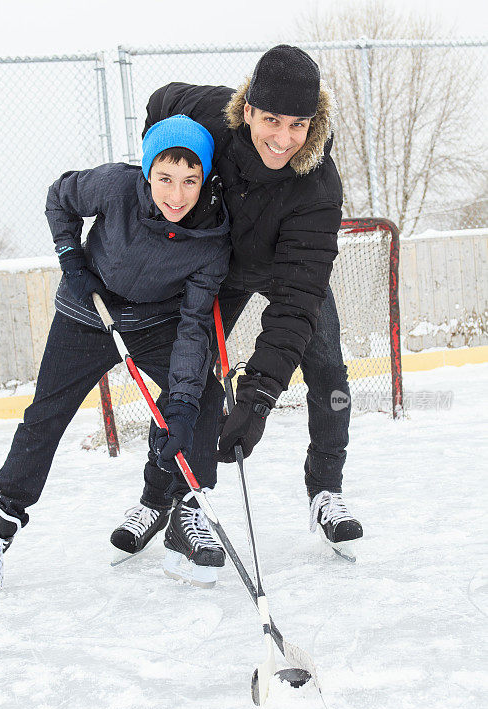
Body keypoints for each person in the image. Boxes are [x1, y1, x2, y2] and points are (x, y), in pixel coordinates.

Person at [0, 115, 231, 596]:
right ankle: (0, 521)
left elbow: (193, 328)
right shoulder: (114, 186)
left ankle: (185, 506)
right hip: (86, 316)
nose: (177, 195)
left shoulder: (212, 239)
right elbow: (59, 196)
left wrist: (182, 406)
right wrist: (69, 257)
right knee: (44, 416)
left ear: (204, 179)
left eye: (190, 181)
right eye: (165, 178)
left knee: (202, 395)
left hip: (153, 325)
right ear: (148, 173)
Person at [111, 44, 363, 562]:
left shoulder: (317, 184)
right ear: (247, 109)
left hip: (283, 269)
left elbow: (296, 300)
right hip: (217, 267)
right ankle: (158, 497)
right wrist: (163, 190)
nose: (283, 138)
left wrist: (259, 396)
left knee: (329, 368)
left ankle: (326, 489)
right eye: (271, 119)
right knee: (189, 373)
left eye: (298, 124)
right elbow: (161, 101)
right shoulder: (209, 114)